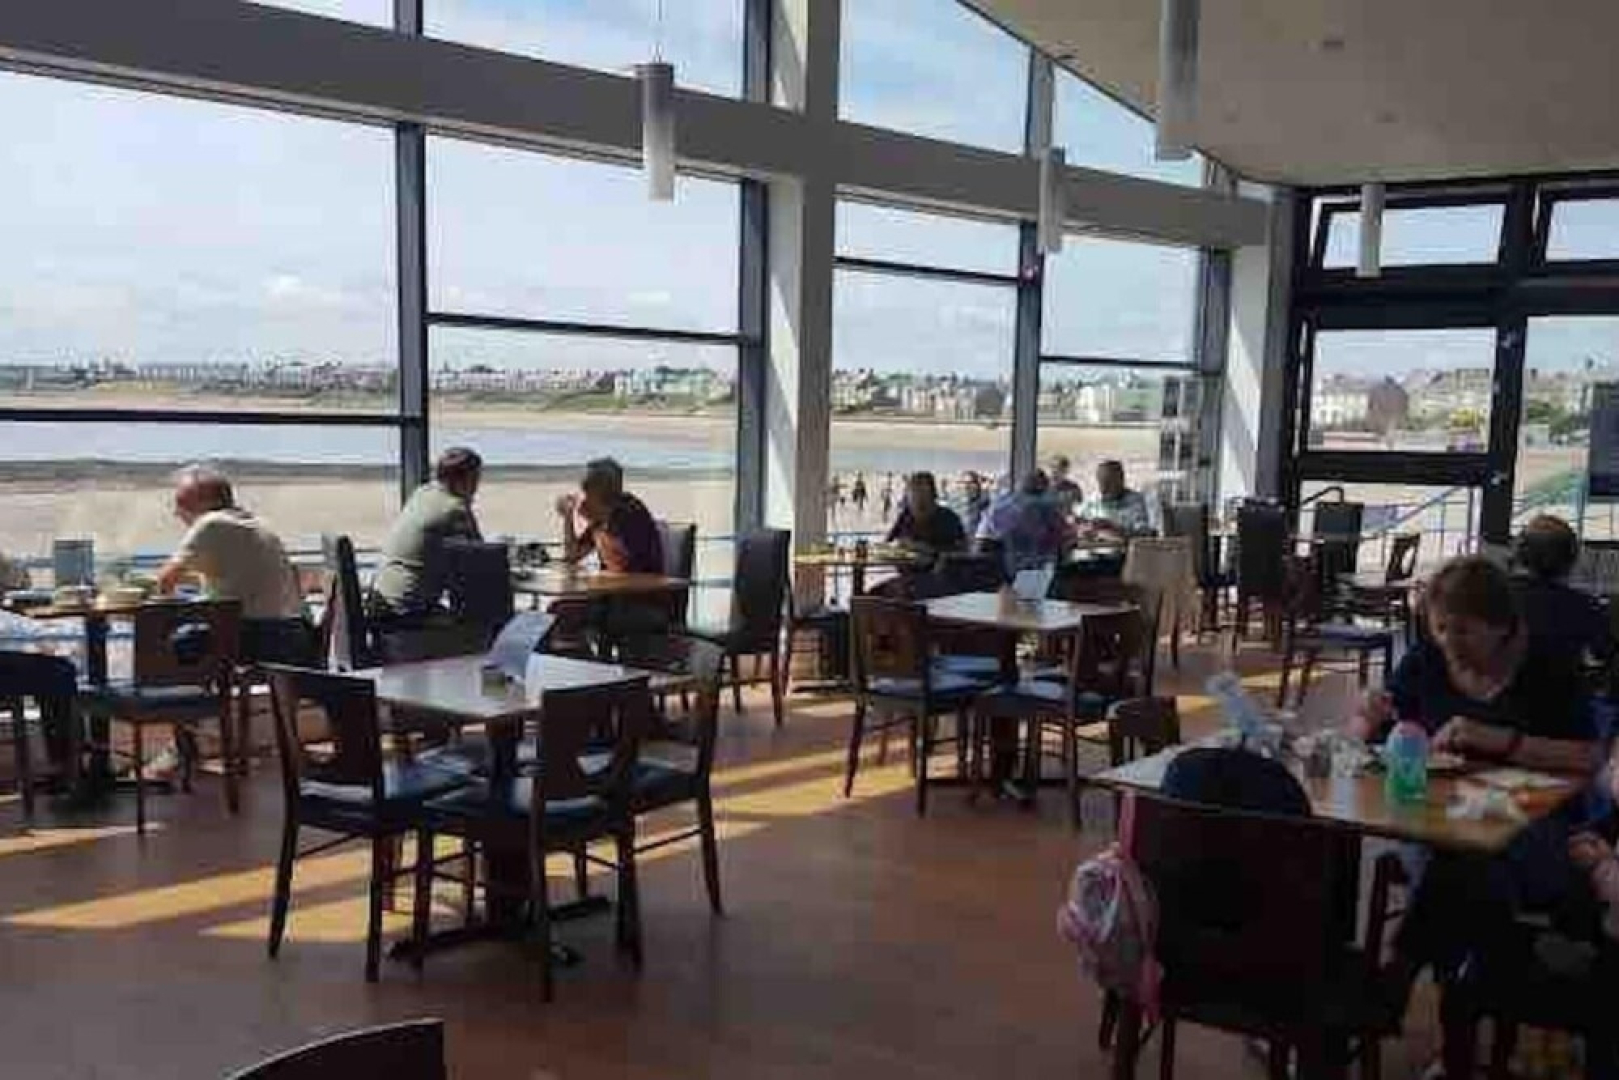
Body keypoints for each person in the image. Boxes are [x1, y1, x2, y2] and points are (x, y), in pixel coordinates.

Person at [1350, 557, 1602, 1073]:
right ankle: (1456, 1037)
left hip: (1539, 830)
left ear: (1502, 624)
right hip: (1440, 822)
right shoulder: (1428, 659)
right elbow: (1370, 730)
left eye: (1461, 629)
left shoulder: (1547, 669)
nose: (1448, 642)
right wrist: (1367, 715)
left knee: (1462, 865)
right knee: (1464, 868)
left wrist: (1503, 741)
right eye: (1439, 628)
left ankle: (1402, 971)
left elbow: (1590, 757)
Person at [158, 464, 311, 665]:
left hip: (261, 637)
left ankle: (184, 694)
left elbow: (165, 581)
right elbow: (239, 576)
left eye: (182, 503)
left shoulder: (211, 523)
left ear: (207, 501)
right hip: (294, 634)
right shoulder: (256, 522)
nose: (176, 513)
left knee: (168, 637)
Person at [371, 447, 484, 621]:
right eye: (475, 479)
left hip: (383, 605)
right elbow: (483, 561)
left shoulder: (422, 493)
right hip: (409, 615)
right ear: (462, 479)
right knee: (484, 622)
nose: (477, 486)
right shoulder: (454, 509)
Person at [1513, 513, 1612, 668]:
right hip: (1561, 690)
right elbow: (1601, 656)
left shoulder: (1492, 599)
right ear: (1571, 560)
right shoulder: (1586, 608)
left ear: (1518, 554)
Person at [556, 457, 662, 574]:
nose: (581, 499)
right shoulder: (599, 518)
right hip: (614, 587)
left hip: (644, 588)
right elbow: (572, 555)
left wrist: (596, 517)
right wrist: (568, 517)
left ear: (601, 492)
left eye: (586, 492)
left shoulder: (631, 513)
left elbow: (631, 569)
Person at [977, 470, 1070, 569]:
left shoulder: (1000, 505)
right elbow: (1061, 534)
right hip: (1042, 562)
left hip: (1010, 562)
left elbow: (984, 539)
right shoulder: (1048, 505)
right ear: (1044, 487)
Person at [885, 472, 966, 555]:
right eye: (913, 491)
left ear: (932, 494)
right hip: (906, 565)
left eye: (922, 491)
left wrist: (927, 549)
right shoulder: (906, 516)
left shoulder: (948, 518)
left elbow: (960, 549)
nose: (917, 496)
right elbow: (889, 542)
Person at [1077, 459, 1153, 539]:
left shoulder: (1136, 501)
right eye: (1101, 483)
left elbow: (1143, 533)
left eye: (1108, 483)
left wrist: (1113, 527)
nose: (1103, 489)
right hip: (1092, 548)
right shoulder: (1092, 501)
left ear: (1121, 480)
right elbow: (1076, 522)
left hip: (1124, 549)